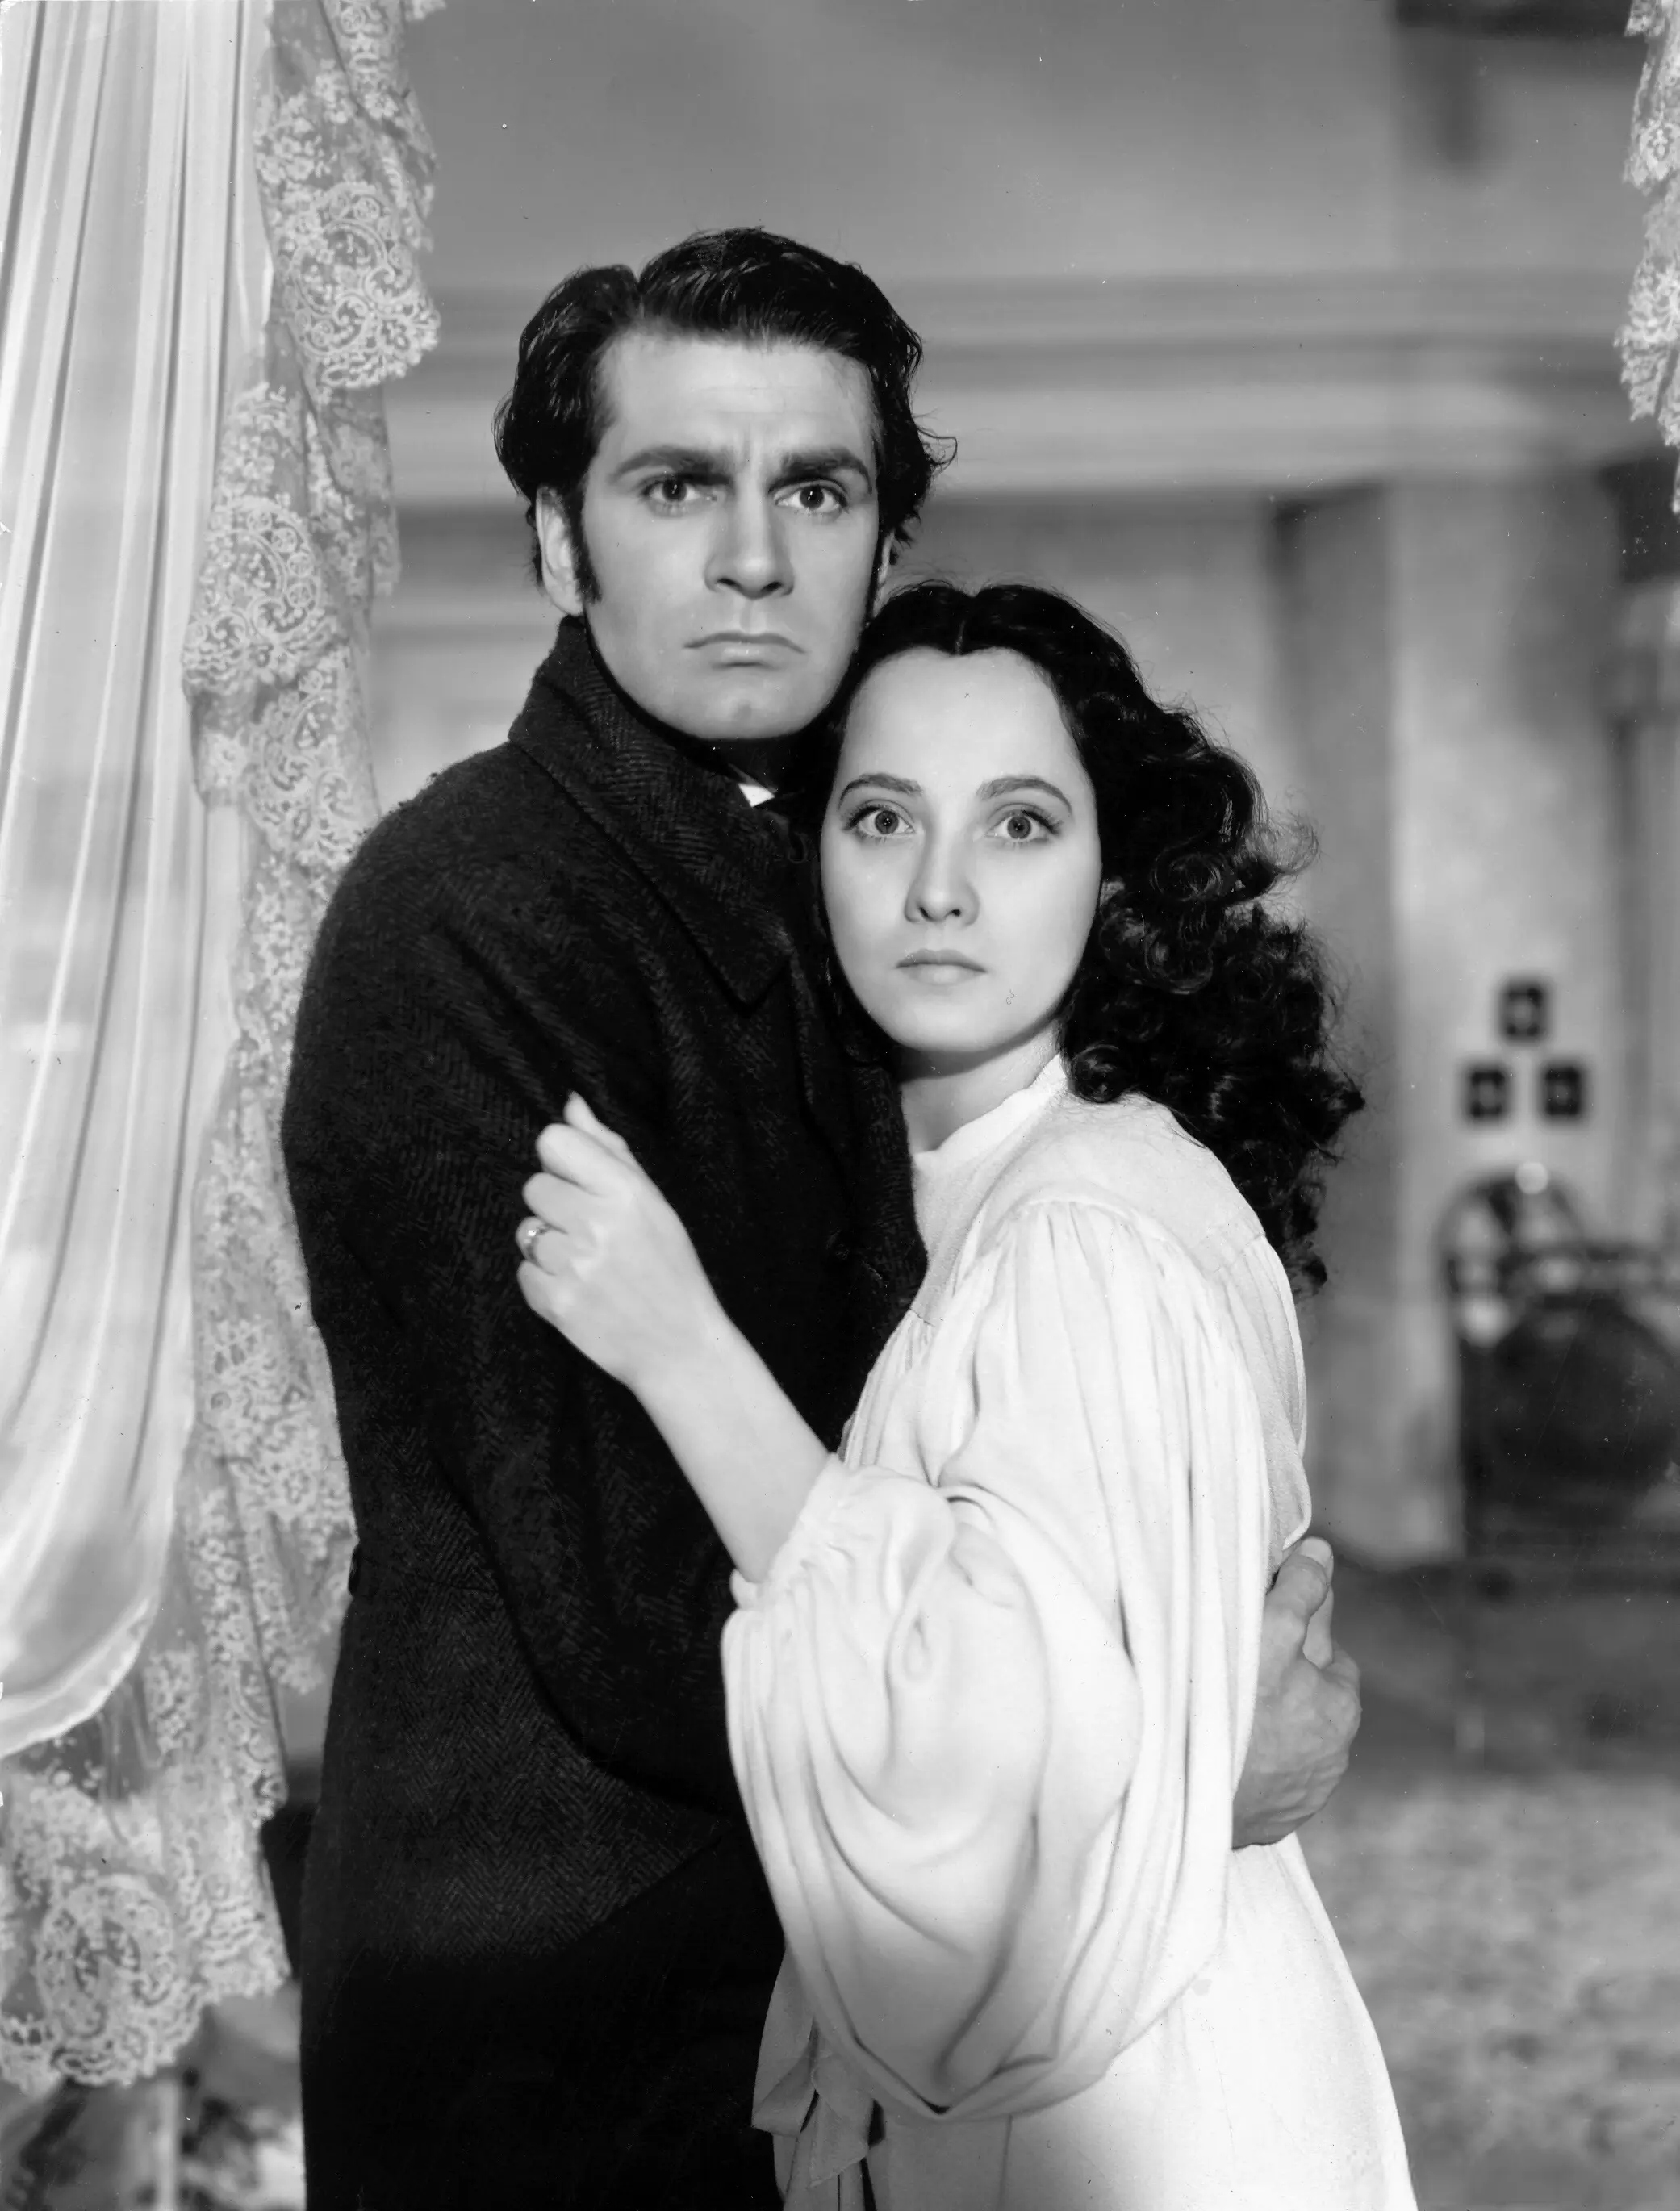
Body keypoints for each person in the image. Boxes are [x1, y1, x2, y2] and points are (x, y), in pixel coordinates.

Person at [282, 229, 1361, 2210]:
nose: (755, 556)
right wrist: (1158, 1782)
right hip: (574, 2025)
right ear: (559, 541)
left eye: (819, 489)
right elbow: (638, 1621)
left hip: (832, 2011)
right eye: (677, 485)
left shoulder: (854, 897)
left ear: (881, 545)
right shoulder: (467, 918)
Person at [515, 580, 1415, 2209]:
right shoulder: (978, 1189)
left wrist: (678, 1347)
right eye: (880, 819)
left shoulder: (1080, 1228)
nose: (939, 888)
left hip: (1127, 2102)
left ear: (1113, 874)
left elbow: (977, 1766)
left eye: (1017, 823)